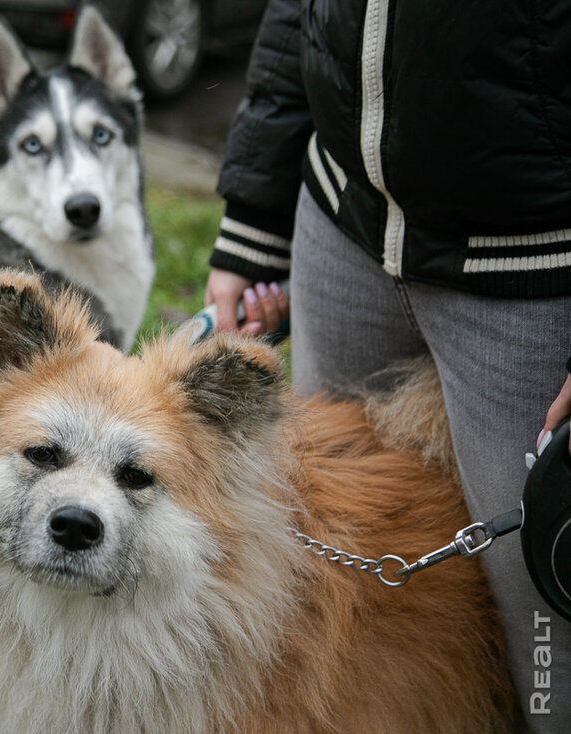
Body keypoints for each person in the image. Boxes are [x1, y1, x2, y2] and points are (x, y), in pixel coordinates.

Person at [202, 0, 571, 729]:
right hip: (342, 226)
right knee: (331, 592)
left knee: (549, 644)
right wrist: (254, 216)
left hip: (533, 271)